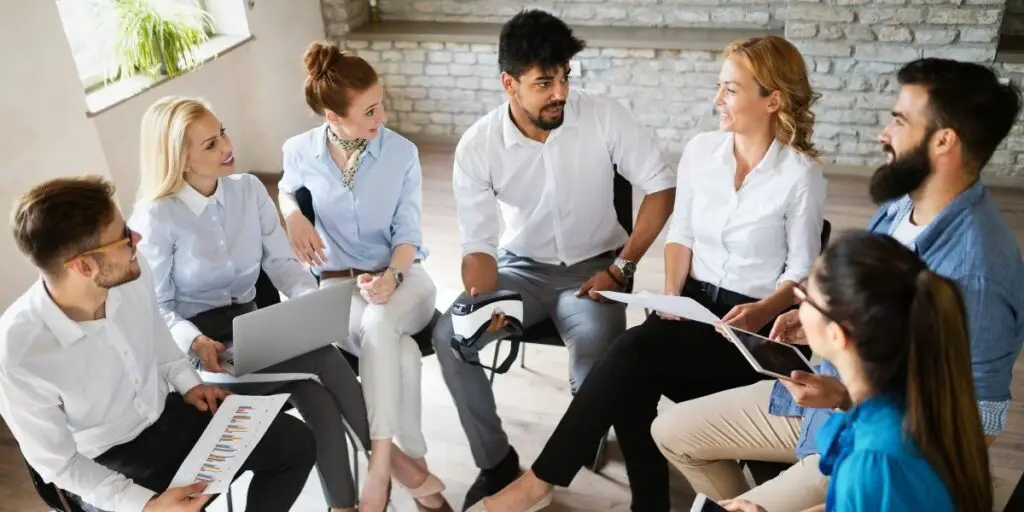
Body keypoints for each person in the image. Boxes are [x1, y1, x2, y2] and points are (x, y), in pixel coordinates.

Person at [467, 34, 827, 512]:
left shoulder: (800, 175)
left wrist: (762, 309)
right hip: (693, 306)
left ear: (773, 99)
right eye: (719, 86)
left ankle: (549, 483)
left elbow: (801, 270)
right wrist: (672, 297)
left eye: (731, 90)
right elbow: (682, 235)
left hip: (755, 328)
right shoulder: (703, 152)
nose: (717, 99)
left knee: (630, 357)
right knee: (633, 365)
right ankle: (638, 501)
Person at [653, 57, 1024, 511]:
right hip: (827, 398)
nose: (883, 134)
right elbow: (881, 319)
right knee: (670, 431)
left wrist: (848, 401)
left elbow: (973, 428)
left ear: (944, 140)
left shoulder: (977, 272)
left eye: (899, 120)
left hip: (867, 443)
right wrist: (819, 331)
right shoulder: (902, 208)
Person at [429, 9, 678, 508]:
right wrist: (484, 301)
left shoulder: (604, 115)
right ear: (509, 84)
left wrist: (623, 267)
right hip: (519, 270)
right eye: (544, 82)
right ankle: (496, 461)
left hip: (596, 271)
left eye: (565, 77)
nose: (560, 92)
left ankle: (555, 469)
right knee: (450, 337)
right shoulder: (478, 146)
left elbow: (661, 187)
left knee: (593, 373)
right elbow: (478, 244)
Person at [0, 176, 317, 512]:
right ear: (83, 265)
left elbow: (158, 338)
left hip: (169, 416)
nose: (136, 238)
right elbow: (60, 466)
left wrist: (189, 384)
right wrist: (148, 505)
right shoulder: (17, 353)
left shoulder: (133, 271)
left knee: (295, 444)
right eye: (122, 237)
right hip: (105, 465)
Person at [129, 96, 370, 512]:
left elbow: (282, 265)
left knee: (320, 404)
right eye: (209, 145)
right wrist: (194, 338)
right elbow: (156, 308)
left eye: (221, 132)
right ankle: (388, 458)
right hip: (205, 361)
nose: (226, 147)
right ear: (180, 160)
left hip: (256, 336)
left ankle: (345, 506)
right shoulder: (156, 217)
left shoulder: (249, 190)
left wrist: (310, 307)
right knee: (323, 358)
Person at [278, 41, 450, 512]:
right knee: (405, 356)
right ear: (333, 117)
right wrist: (292, 213)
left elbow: (408, 232)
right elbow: (286, 188)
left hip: (406, 279)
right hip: (340, 288)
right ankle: (417, 476)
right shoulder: (300, 152)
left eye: (381, 104)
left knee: (380, 323)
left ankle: (379, 469)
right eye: (370, 111)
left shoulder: (401, 153)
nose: (383, 117)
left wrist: (393, 275)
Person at [721, 231, 992, 512]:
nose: (797, 305)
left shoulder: (873, 461)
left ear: (837, 334)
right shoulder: (917, 396)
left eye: (804, 297)